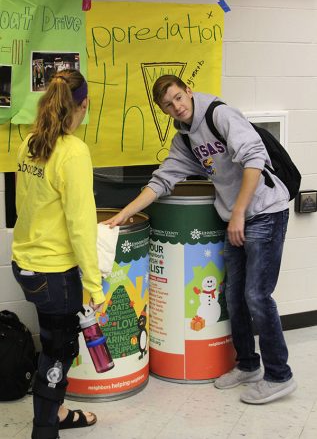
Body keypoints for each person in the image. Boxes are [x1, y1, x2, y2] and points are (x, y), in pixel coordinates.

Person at [105, 74, 297, 405]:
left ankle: (280, 375)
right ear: (163, 110)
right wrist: (124, 213)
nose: (177, 106)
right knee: (233, 296)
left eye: (179, 97)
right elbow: (162, 181)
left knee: (257, 295)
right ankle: (248, 365)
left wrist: (238, 213)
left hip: (266, 211)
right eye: (168, 104)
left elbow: (254, 160)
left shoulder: (218, 114)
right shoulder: (185, 140)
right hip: (236, 218)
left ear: (189, 92)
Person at [11, 69, 105, 439]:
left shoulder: (30, 142)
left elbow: (22, 203)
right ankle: (44, 430)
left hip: (27, 266)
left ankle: (59, 411)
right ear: (83, 105)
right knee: (59, 351)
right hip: (55, 274)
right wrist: (95, 286)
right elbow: (82, 224)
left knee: (51, 340)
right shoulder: (73, 152)